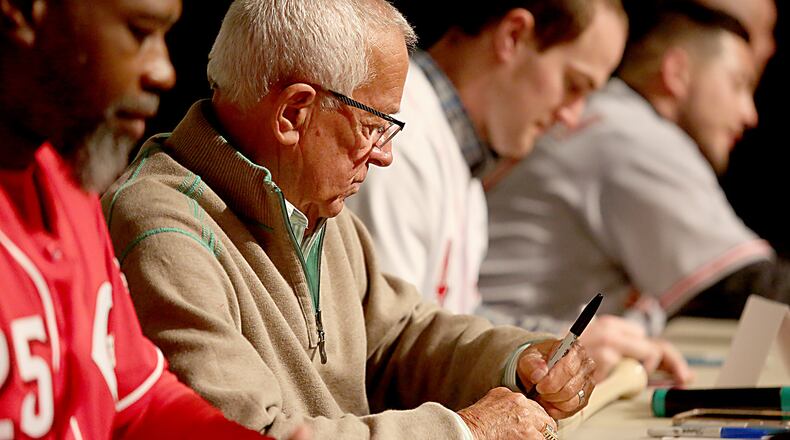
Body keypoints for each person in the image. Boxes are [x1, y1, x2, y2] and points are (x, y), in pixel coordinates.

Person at [101, 0, 597, 439]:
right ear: (294, 113)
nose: (383, 157)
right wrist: (464, 432)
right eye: (373, 127)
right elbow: (246, 433)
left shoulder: (313, 205)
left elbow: (401, 337)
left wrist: (519, 360)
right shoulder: (161, 229)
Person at [0, 0, 307, 438]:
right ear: (26, 12)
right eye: (140, 31)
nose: (164, 70)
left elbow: (138, 402)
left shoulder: (70, 184)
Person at [479, 0, 784, 383]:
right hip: (484, 367)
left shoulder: (620, 120)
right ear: (678, 73)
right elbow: (754, 288)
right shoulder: (626, 135)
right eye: (739, 84)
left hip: (509, 359)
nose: (749, 113)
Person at [346, 0, 628, 316]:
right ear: (512, 36)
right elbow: (390, 344)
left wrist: (549, 343)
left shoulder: (459, 154)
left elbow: (454, 319)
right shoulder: (399, 137)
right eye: (573, 85)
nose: (572, 116)